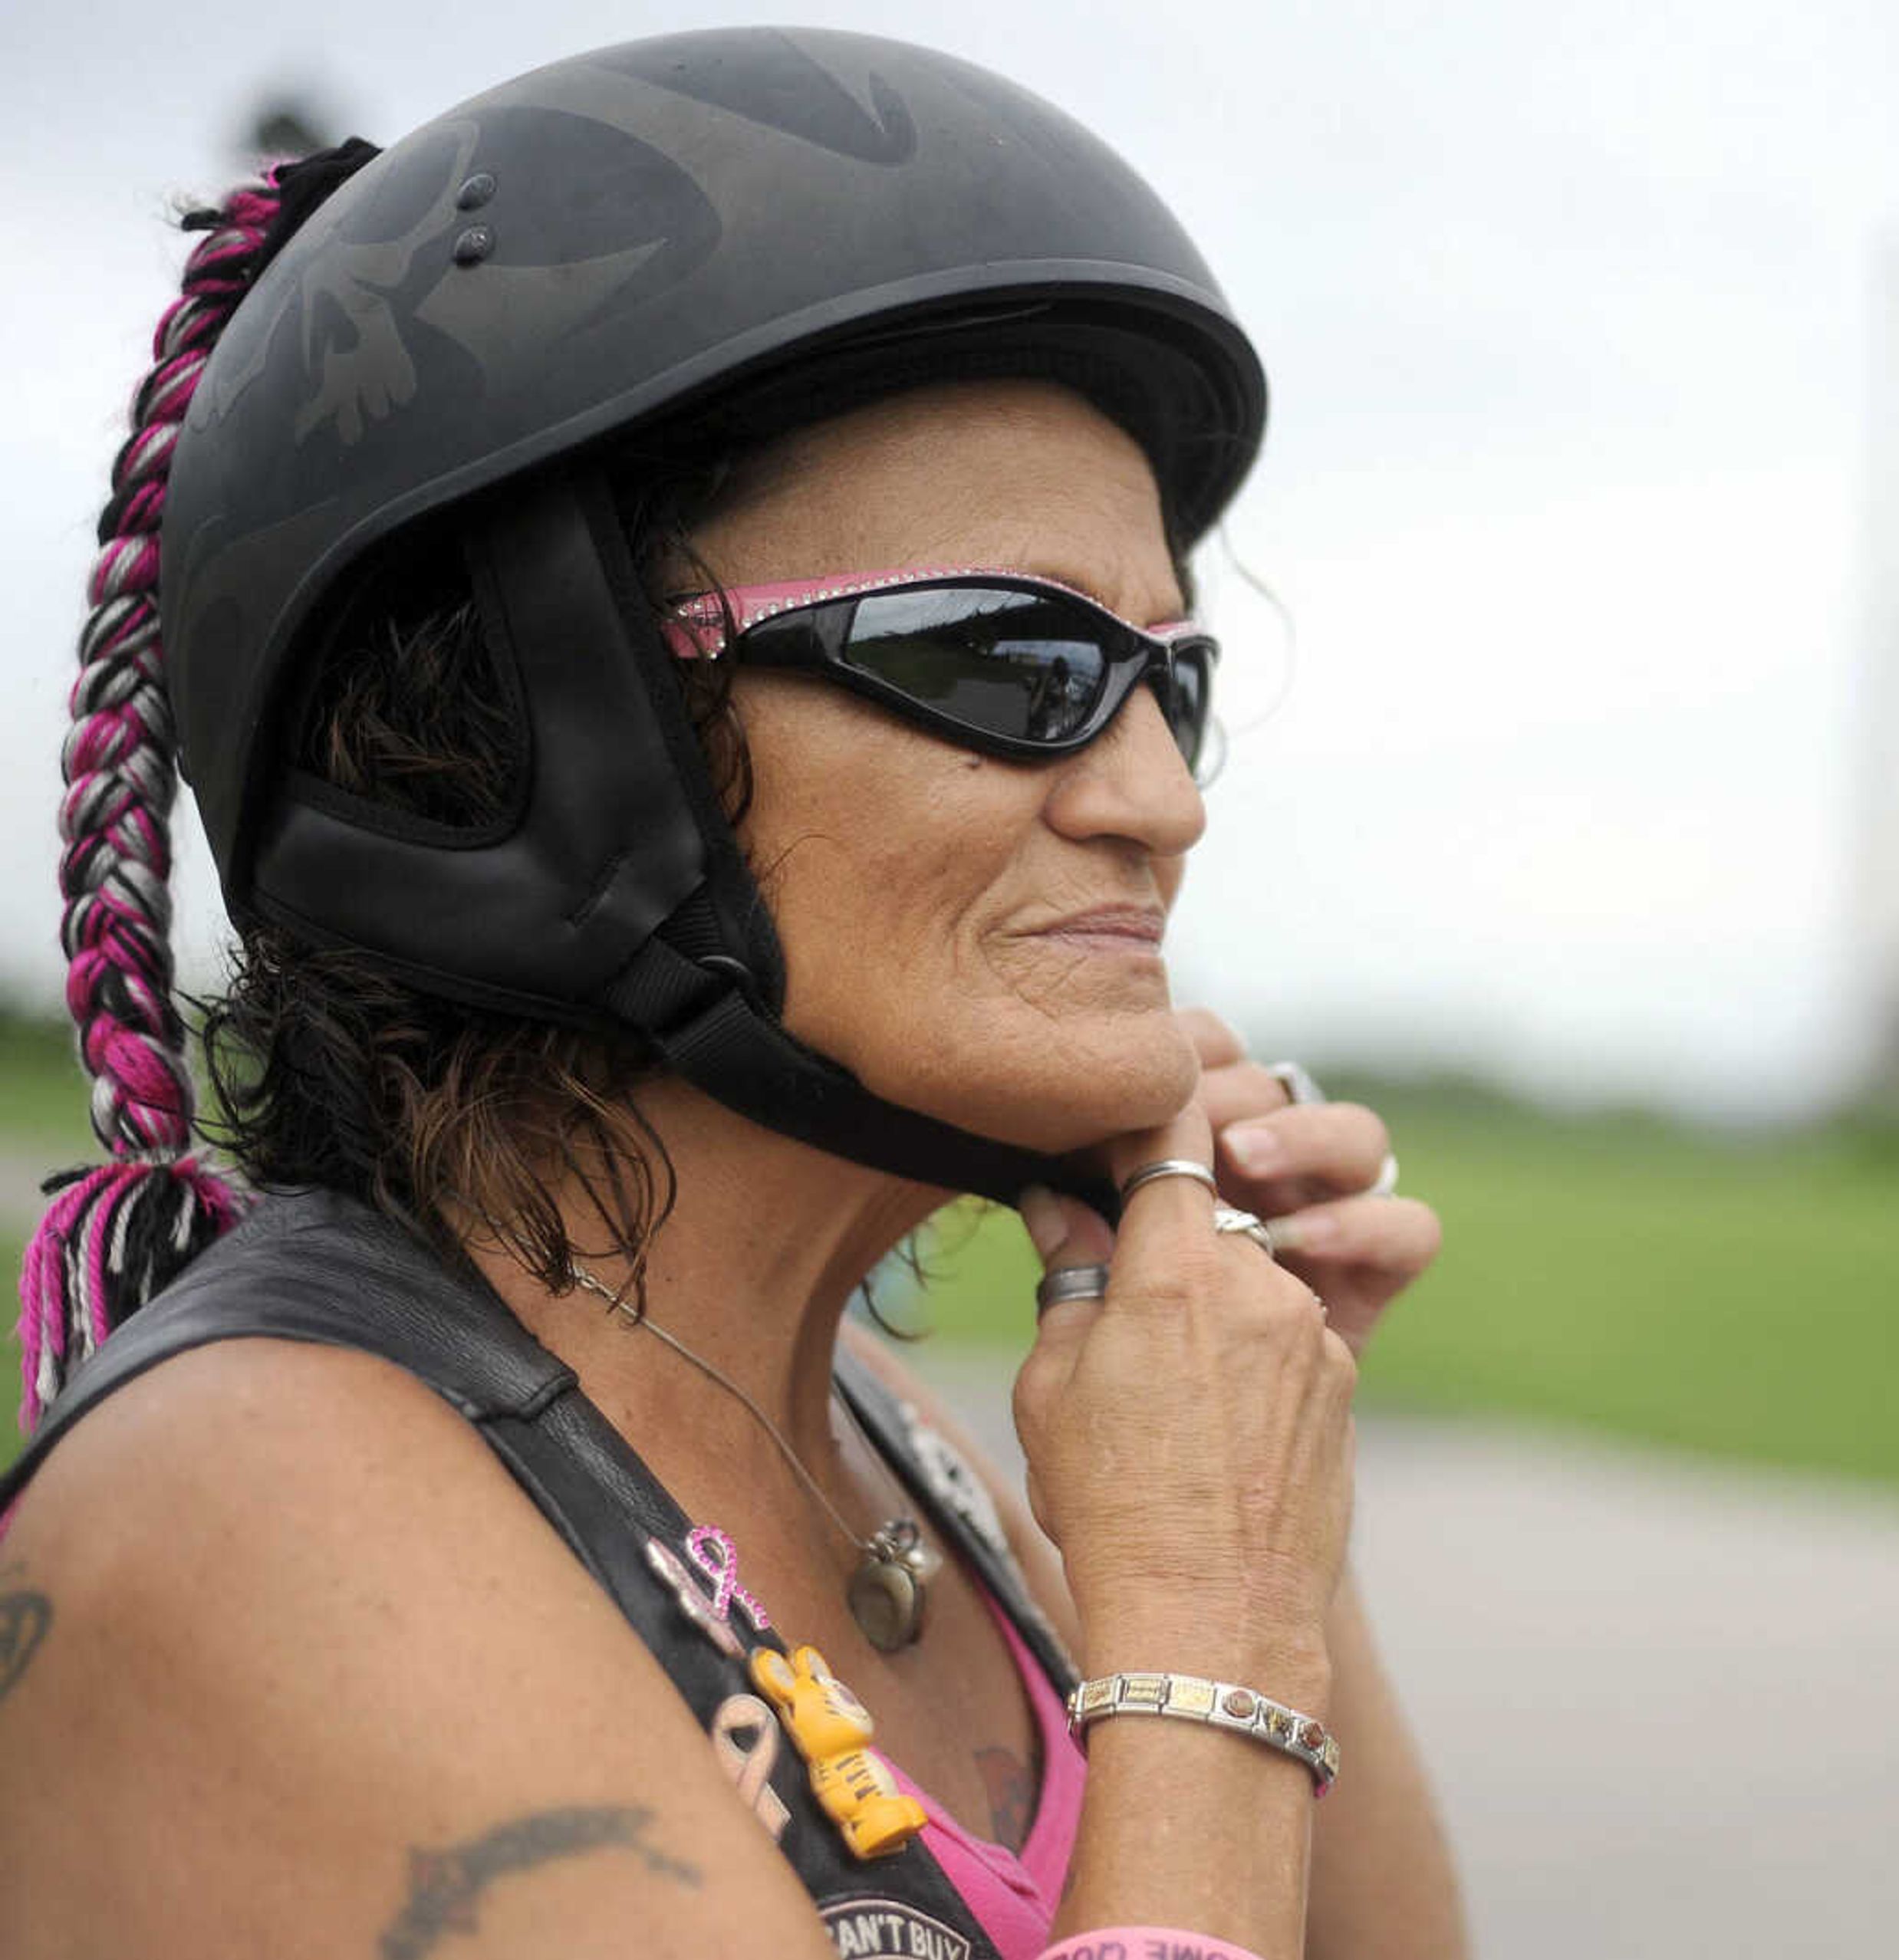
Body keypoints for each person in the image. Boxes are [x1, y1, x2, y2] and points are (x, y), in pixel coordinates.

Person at [0, 28, 1465, 1960]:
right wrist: (1205, 1631)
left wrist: (1266, 1493)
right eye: (1008, 658)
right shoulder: (271, 1519)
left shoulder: (881, 1441)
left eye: (1165, 680)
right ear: (533, 726)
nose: (1160, 800)